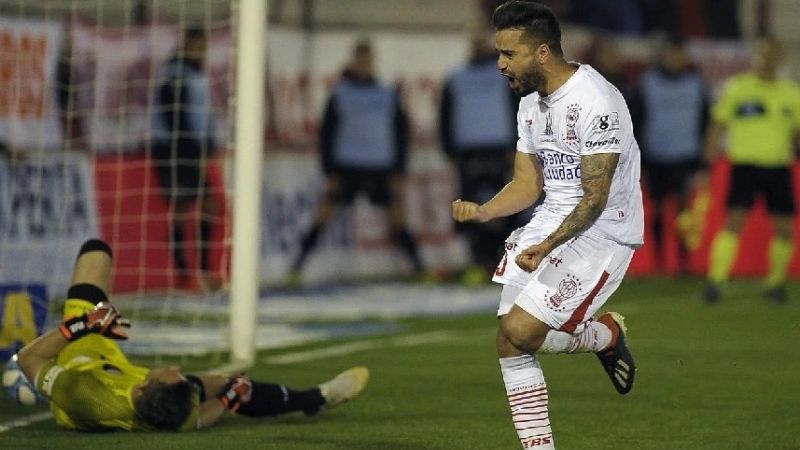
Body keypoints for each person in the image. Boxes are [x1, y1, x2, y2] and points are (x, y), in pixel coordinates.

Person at [452, 2, 643, 448]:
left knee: (521, 331)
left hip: (602, 232)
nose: (500, 64)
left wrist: (547, 245)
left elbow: (594, 198)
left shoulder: (597, 101)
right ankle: (602, 337)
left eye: (508, 54)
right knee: (510, 340)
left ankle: (602, 334)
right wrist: (484, 211)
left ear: (541, 52)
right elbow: (526, 184)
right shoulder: (530, 105)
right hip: (550, 222)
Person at [13, 239, 370, 431]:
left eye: (170, 374)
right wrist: (228, 400)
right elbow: (197, 419)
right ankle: (315, 398)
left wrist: (83, 325)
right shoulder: (166, 411)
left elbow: (31, 358)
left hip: (79, 356)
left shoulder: (86, 397)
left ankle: (23, 387)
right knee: (225, 382)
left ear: (143, 388)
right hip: (113, 365)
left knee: (94, 250)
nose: (173, 365)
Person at [287, 40, 425, 285]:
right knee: (324, 214)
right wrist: (330, 170)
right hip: (347, 165)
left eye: (367, 59)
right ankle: (297, 267)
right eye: (360, 59)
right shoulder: (340, 93)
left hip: (380, 166)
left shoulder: (386, 94)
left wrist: (399, 169)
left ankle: (420, 269)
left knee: (397, 217)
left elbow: (400, 132)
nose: (363, 64)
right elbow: (327, 134)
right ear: (354, 60)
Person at [703, 37, 800, 304]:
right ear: (755, 57)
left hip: (779, 165)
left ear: (780, 58)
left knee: (784, 228)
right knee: (733, 222)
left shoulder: (791, 93)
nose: (767, 59)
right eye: (762, 53)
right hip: (745, 165)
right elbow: (719, 122)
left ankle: (776, 283)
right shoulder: (738, 87)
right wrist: (709, 154)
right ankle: (716, 281)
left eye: (772, 54)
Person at [440, 29, 519, 285]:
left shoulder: (505, 75)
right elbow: (446, 115)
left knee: (504, 208)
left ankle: (499, 257)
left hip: (499, 150)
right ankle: (478, 260)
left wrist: (518, 145)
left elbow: (518, 108)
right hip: (469, 152)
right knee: (470, 208)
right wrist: (450, 150)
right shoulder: (456, 78)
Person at [151, 26, 222, 290]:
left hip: (193, 148)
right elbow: (173, 114)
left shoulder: (196, 72)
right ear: (185, 44)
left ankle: (201, 269)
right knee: (183, 207)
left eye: (203, 45)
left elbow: (202, 113)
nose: (200, 49)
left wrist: (209, 141)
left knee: (208, 205)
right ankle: (186, 273)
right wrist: (192, 145)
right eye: (196, 44)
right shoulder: (174, 73)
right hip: (174, 149)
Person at [638, 37, 709, 273]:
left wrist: (702, 161)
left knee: (684, 211)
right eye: (671, 55)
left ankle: (683, 261)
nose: (675, 60)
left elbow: (705, 121)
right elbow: (637, 119)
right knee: (657, 209)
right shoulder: (648, 83)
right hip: (656, 155)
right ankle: (659, 261)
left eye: (679, 55)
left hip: (686, 156)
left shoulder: (696, 84)